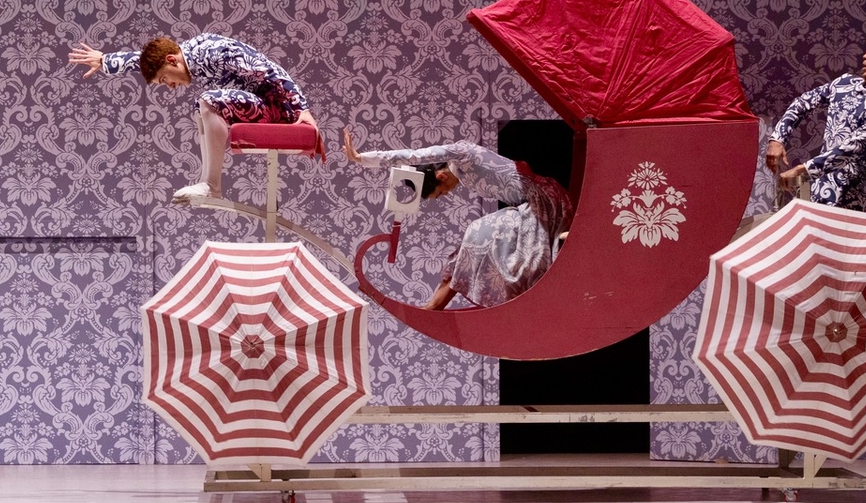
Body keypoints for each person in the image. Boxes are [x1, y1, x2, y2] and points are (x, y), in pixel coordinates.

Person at [342, 130, 573, 310]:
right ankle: (434, 306)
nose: (446, 193)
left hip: (542, 202)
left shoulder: (463, 153)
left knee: (477, 232)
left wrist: (363, 158)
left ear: (441, 176)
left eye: (441, 192)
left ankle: (435, 306)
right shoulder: (461, 174)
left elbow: (414, 155)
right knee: (464, 250)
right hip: (527, 208)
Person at [69, 34, 318, 201]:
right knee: (201, 105)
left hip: (279, 108)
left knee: (208, 100)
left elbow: (270, 70)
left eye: (164, 79)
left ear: (172, 61)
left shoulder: (213, 53)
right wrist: (104, 60)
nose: (169, 86)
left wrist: (301, 108)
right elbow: (142, 59)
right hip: (262, 103)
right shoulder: (188, 54)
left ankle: (212, 185)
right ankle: (209, 184)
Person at [765, 32, 866, 212]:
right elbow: (802, 103)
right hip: (819, 190)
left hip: (852, 196)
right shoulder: (844, 83)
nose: (865, 55)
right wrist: (777, 139)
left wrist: (803, 169)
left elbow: (854, 147)